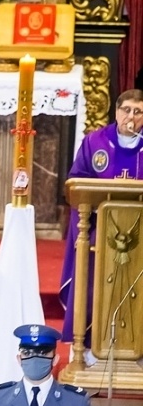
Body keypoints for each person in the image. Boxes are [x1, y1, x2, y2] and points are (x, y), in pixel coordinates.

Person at [59, 90, 143, 350]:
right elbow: (76, 184)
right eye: (126, 109)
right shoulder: (95, 142)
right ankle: (90, 342)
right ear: (116, 112)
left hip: (140, 233)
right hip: (99, 231)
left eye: (138, 111)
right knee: (93, 277)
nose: (131, 116)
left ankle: (136, 344)